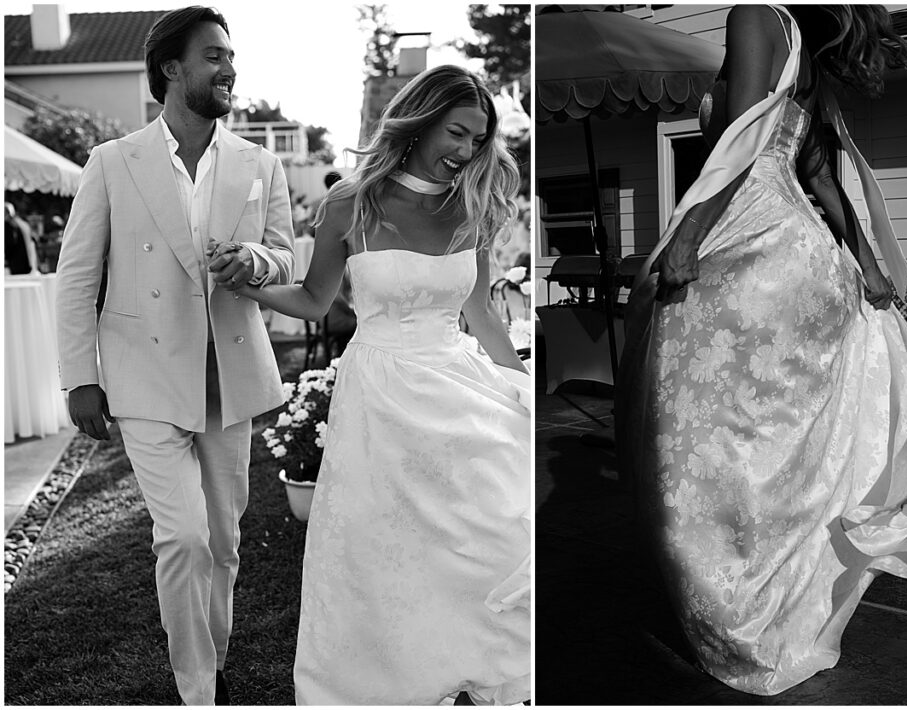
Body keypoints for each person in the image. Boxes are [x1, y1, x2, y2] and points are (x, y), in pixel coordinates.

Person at [617, 5, 907, 695]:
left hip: (754, 243)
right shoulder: (801, 40)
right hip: (809, 254)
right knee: (782, 449)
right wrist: (866, 262)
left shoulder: (755, 14)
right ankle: (785, 614)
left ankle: (745, 630)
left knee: (694, 448)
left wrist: (688, 232)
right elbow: (820, 170)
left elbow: (743, 139)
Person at [232, 64, 531, 705]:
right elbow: (314, 301)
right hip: (381, 399)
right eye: (457, 133)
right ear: (420, 121)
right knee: (384, 549)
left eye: (478, 140)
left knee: (486, 533)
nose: (466, 151)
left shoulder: (471, 205)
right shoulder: (350, 203)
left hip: (458, 384)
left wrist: (520, 383)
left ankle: (471, 666)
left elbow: (479, 311)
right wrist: (247, 285)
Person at [54, 6, 294, 704]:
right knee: (183, 537)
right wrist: (80, 379)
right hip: (145, 375)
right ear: (171, 68)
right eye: (215, 56)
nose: (230, 69)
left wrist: (251, 259)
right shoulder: (111, 162)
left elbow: (284, 254)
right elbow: (77, 278)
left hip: (232, 375)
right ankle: (197, 688)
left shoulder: (260, 161)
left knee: (223, 540)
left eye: (230, 57)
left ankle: (209, 660)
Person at [5, 202, 38, 274]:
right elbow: (34, 240)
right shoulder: (23, 223)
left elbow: (9, 243)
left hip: (17, 264)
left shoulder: (9, 225)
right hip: (28, 263)